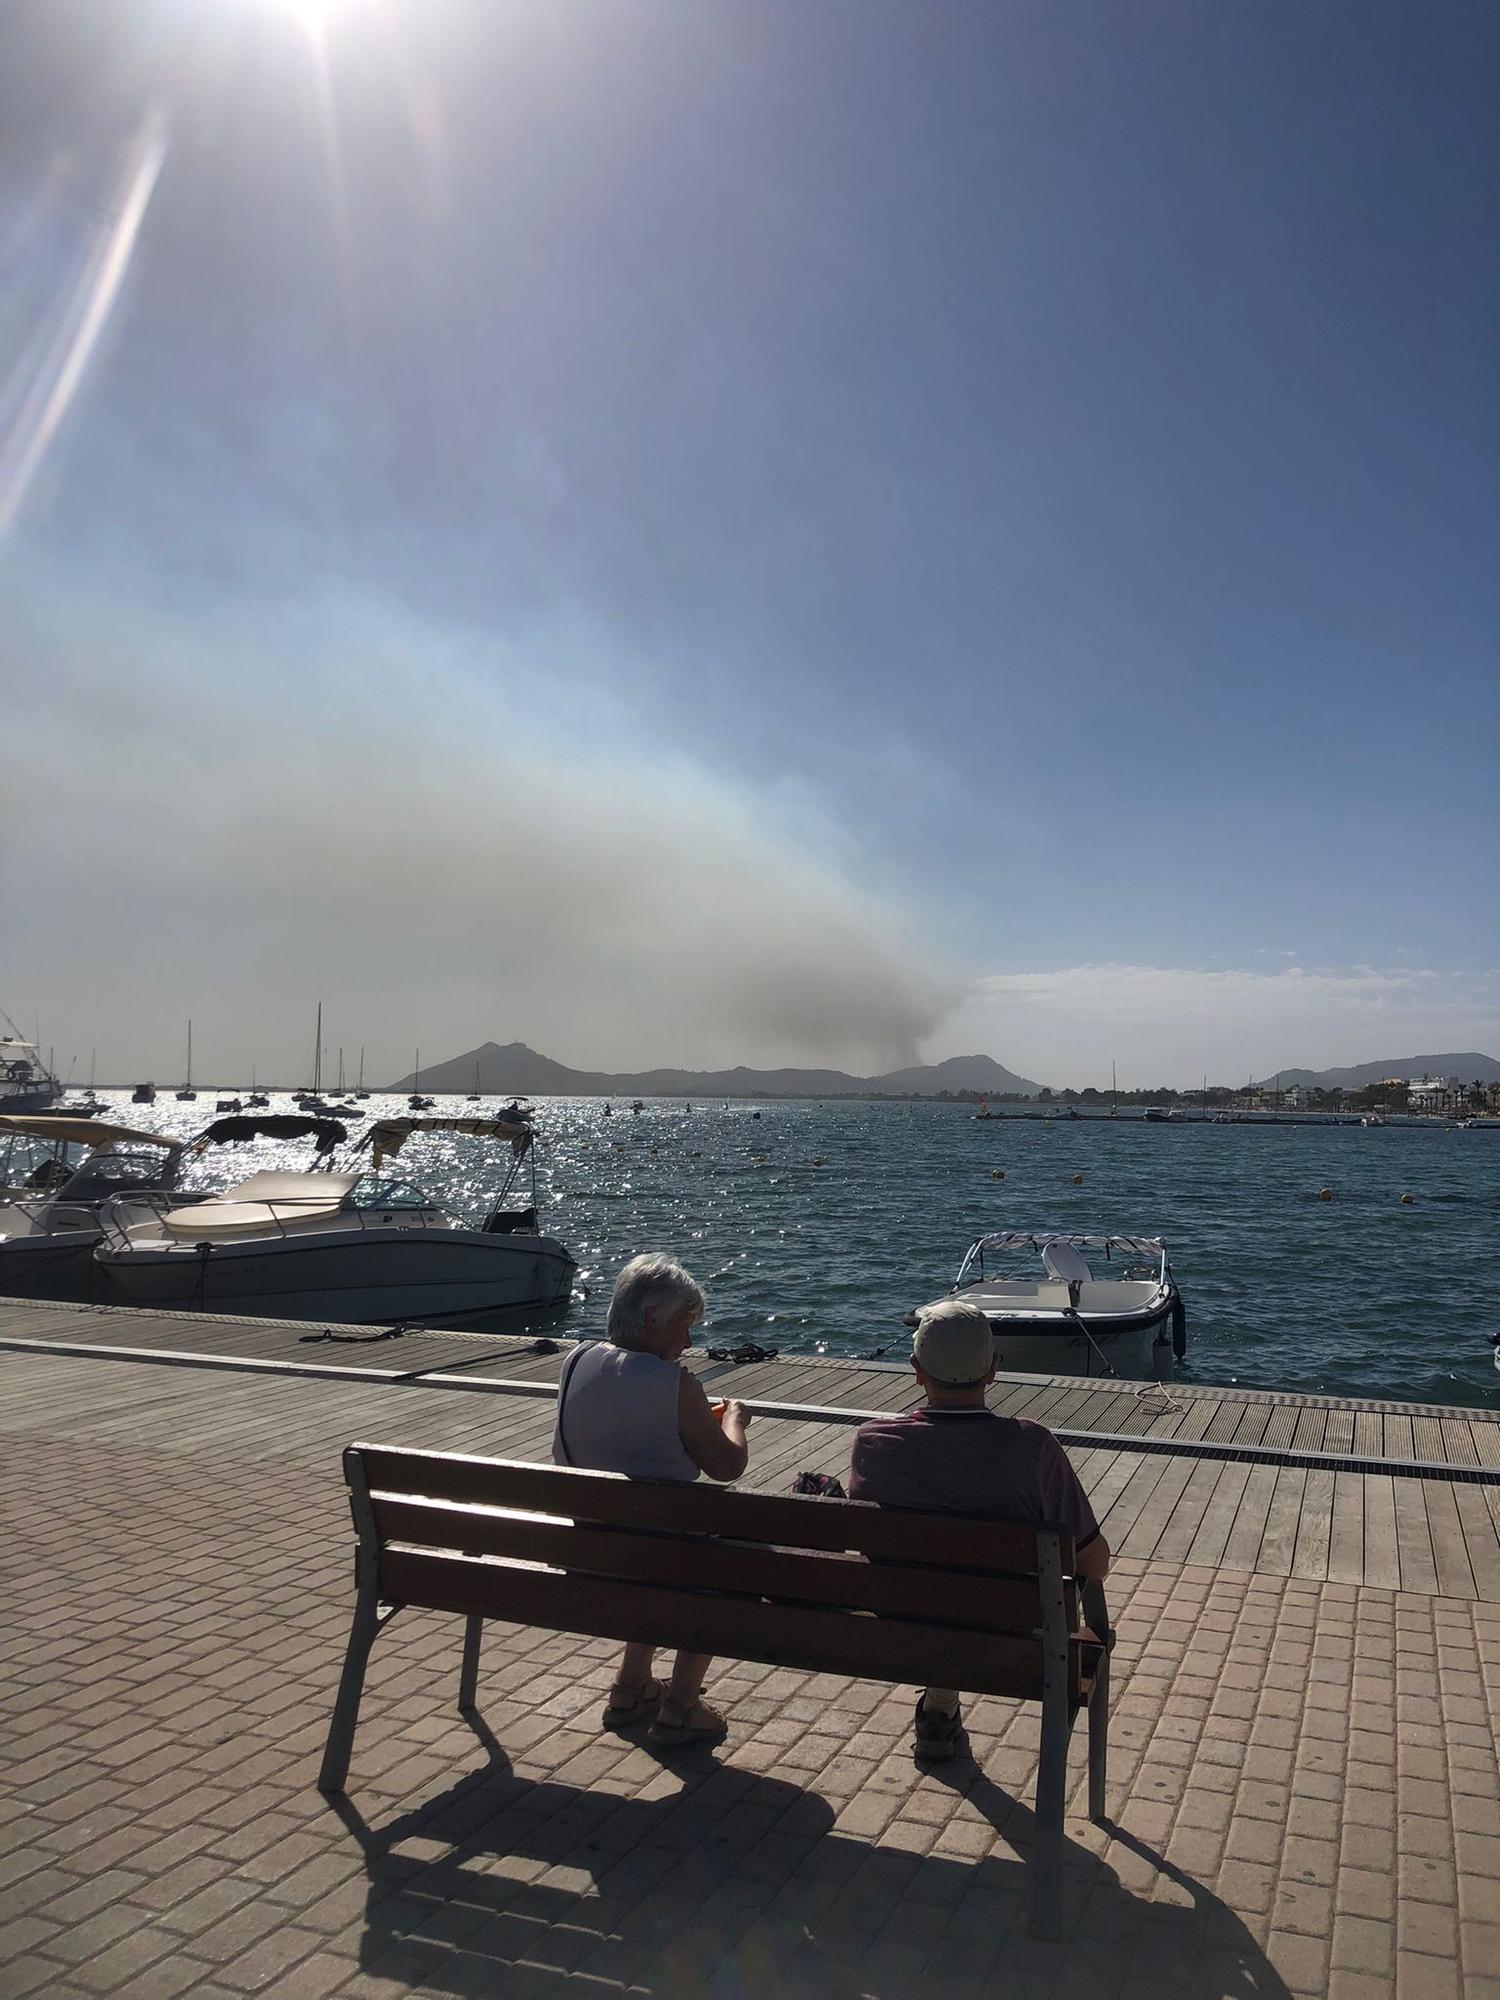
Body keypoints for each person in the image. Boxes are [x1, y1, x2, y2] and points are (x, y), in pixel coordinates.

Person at [848, 1297, 1108, 1761]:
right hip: (1012, 1636)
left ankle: (940, 1705)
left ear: (917, 1371)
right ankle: (941, 1706)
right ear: (993, 1370)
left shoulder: (873, 1443)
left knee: (939, 1588)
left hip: (897, 1625)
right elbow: (1094, 1562)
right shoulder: (1032, 1446)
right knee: (968, 1595)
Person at [552, 1252, 751, 1744]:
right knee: (721, 1561)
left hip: (590, 1553)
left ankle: (631, 1686)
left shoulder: (575, 1361)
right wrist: (734, 1420)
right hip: (663, 1560)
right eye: (685, 1326)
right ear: (650, 1317)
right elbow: (727, 1466)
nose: (689, 1342)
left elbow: (627, 1422)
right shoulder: (676, 1384)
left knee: (654, 1544)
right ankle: (681, 1706)